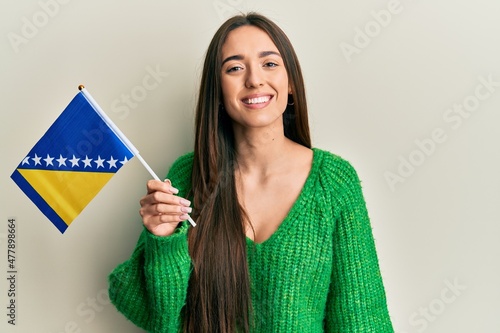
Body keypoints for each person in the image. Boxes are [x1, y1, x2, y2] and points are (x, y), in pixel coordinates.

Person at [108, 12, 394, 333]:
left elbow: (362, 319)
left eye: (269, 64)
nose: (254, 79)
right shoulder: (188, 174)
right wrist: (162, 242)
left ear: (291, 86)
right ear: (217, 92)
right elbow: (162, 319)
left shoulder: (333, 181)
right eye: (235, 68)